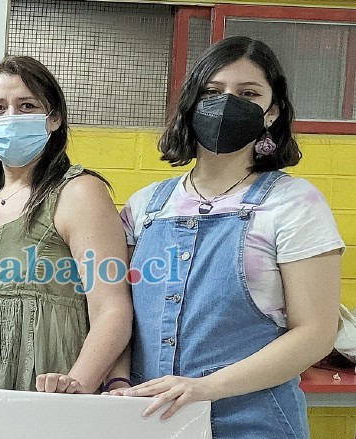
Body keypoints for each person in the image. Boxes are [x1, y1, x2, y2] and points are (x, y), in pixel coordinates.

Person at [108, 36, 344, 438]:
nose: (227, 103)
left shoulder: (296, 204)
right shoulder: (146, 207)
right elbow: (119, 312)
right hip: (148, 418)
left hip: (253, 423)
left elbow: (316, 333)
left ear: (271, 112)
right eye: (212, 92)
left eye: (248, 93)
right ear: (191, 103)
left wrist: (205, 388)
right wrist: (117, 380)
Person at [0, 55, 133, 393]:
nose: (11, 117)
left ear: (54, 118)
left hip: (51, 387)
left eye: (27, 105)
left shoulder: (78, 192)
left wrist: (76, 385)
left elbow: (112, 309)